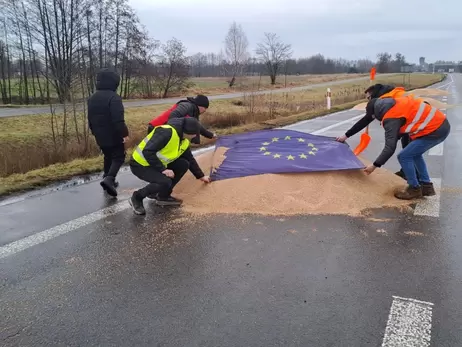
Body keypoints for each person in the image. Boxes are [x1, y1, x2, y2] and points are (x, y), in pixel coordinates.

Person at [361, 95, 450, 200]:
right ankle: (426, 186)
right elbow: (402, 126)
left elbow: (389, 148)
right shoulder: (396, 103)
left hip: (434, 130)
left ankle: (414, 188)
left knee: (404, 156)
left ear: (376, 113)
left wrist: (374, 165)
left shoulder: (391, 118)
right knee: (415, 154)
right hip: (441, 125)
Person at [129, 117, 211, 215]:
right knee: (165, 182)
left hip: (154, 163)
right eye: (194, 134)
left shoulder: (183, 141)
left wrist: (201, 176)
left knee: (183, 164)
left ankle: (163, 196)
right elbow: (147, 151)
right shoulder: (166, 132)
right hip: (139, 164)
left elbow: (190, 159)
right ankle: (137, 197)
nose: (195, 136)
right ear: (187, 132)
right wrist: (163, 169)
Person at [336, 83, 418, 180]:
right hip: (411, 120)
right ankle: (409, 173)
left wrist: (345, 136)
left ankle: (415, 180)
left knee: (408, 153)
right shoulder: (392, 94)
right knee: (409, 151)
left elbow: (366, 119)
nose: (369, 101)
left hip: (415, 122)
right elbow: (368, 119)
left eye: (369, 98)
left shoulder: (386, 99)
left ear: (374, 94)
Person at [88, 68, 129, 197]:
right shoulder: (114, 97)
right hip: (113, 133)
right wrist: (124, 133)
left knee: (108, 156)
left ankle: (107, 178)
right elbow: (118, 119)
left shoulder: (92, 97)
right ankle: (109, 179)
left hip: (98, 133)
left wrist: (94, 132)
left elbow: (90, 118)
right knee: (119, 156)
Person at [147, 94, 216, 144]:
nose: (205, 110)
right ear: (200, 106)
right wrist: (179, 135)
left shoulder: (194, 113)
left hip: (165, 131)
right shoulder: (186, 105)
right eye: (205, 108)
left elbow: (198, 127)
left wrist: (211, 135)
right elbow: (173, 116)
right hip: (156, 129)